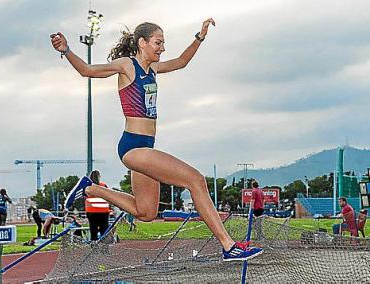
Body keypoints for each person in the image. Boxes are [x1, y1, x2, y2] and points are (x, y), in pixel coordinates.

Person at [52, 18, 262, 261]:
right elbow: (87, 71)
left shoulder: (153, 70)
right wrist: (66, 50)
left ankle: (91, 188)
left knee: (146, 211)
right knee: (196, 180)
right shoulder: (127, 66)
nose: (162, 48)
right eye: (158, 42)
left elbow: (182, 62)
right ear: (142, 43)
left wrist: (200, 37)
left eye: (163, 43)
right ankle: (228, 246)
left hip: (146, 148)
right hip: (132, 146)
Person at [85, 170, 110, 241]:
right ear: (99, 176)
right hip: (103, 211)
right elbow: (108, 196)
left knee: (93, 230)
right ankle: (104, 248)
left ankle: (94, 248)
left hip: (91, 211)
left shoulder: (87, 186)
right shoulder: (103, 186)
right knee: (104, 230)